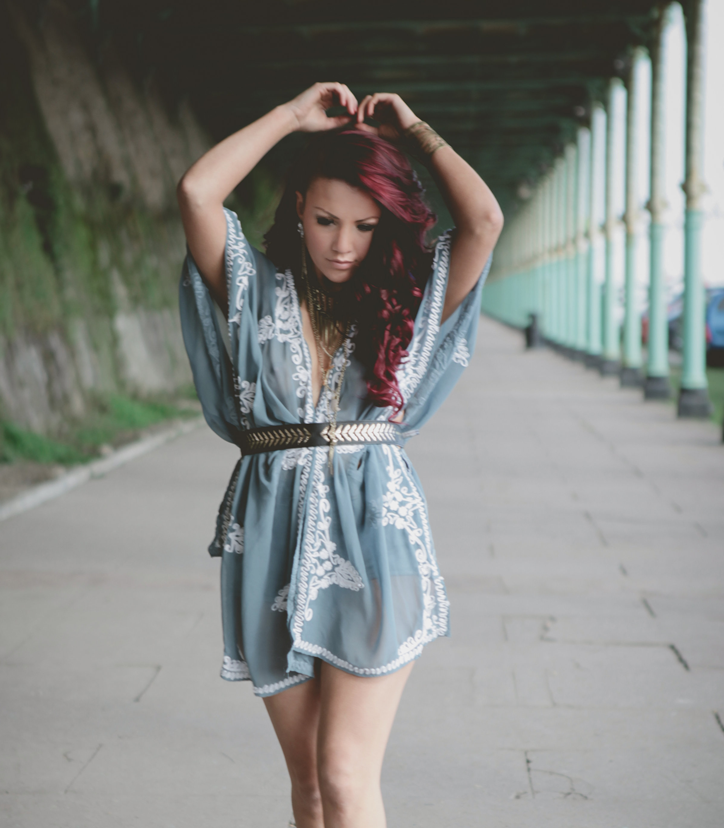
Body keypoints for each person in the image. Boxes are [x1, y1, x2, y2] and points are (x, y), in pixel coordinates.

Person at [176, 82, 503, 828]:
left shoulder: (411, 298)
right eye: (326, 220)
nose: (343, 244)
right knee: (311, 785)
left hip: (376, 537)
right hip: (270, 539)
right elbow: (197, 191)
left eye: (364, 225)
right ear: (299, 208)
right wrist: (292, 117)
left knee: (346, 773)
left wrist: (414, 130)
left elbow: (484, 219)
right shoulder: (254, 288)